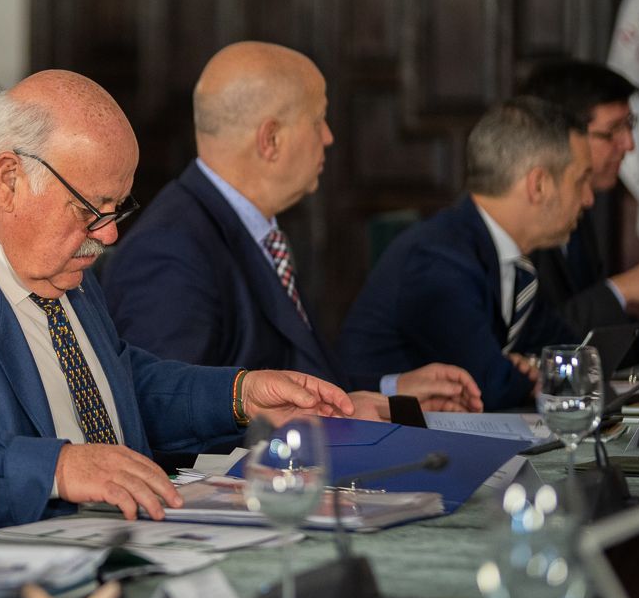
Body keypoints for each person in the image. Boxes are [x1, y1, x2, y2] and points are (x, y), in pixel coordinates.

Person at [0, 69, 371, 534]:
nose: (108, 237)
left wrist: (239, 395)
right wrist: (56, 467)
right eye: (91, 210)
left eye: (117, 209)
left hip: (133, 539)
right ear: (9, 179)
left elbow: (118, 386)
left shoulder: (53, 259)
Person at [102, 41, 481, 413]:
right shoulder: (170, 249)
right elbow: (168, 412)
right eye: (318, 120)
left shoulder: (252, 225)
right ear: (271, 140)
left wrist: (392, 389)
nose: (329, 137)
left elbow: (299, 371)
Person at [338, 97, 592, 410]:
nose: (589, 198)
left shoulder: (512, 259)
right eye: (581, 181)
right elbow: (488, 386)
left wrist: (530, 366)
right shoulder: (437, 258)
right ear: (538, 184)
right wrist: (529, 369)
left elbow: (570, 349)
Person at [519, 60, 639, 356]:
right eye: (614, 130)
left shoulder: (583, 210)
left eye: (629, 126)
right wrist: (620, 290)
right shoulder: (518, 218)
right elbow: (535, 343)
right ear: (563, 136)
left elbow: (590, 344)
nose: (629, 144)